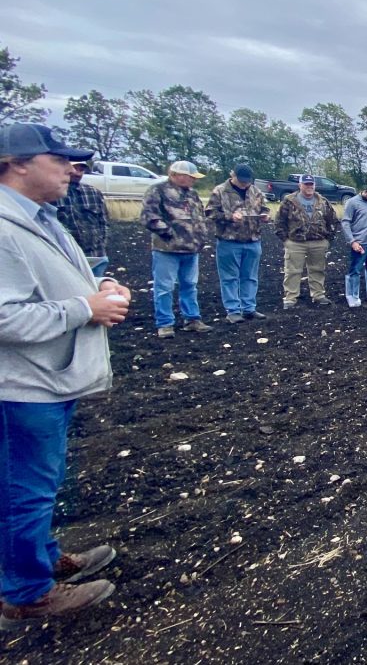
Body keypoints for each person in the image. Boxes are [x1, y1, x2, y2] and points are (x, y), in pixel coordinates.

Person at [0, 123, 130, 628]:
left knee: (39, 479)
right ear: (18, 162)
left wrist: (100, 285)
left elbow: (54, 283)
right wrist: (85, 307)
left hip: (45, 378)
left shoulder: (40, 218)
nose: (72, 171)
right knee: (24, 486)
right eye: (60, 161)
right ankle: (26, 592)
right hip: (20, 385)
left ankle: (39, 556)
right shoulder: (5, 227)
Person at [140, 160, 212, 337]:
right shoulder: (158, 191)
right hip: (167, 249)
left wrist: (201, 238)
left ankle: (192, 319)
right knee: (164, 286)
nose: (193, 180)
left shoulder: (193, 195)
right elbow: (149, 217)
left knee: (189, 285)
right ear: (176, 175)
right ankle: (165, 323)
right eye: (190, 177)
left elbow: (199, 218)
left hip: (191, 249)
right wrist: (169, 234)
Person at [205, 164, 270, 323]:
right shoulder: (220, 191)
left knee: (250, 277)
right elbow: (209, 212)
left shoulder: (256, 191)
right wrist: (229, 216)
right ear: (232, 175)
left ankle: (249, 308)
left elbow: (265, 208)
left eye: (247, 181)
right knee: (229, 277)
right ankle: (233, 310)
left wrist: (265, 215)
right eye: (241, 181)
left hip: (253, 240)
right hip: (229, 241)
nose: (244, 184)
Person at [276, 174, 338, 308]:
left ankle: (318, 295)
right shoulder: (289, 200)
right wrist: (286, 240)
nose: (309, 187)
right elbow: (279, 221)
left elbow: (332, 220)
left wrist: (328, 239)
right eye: (306, 184)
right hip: (295, 242)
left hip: (318, 242)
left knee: (318, 269)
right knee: (292, 271)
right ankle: (290, 298)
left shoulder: (323, 201)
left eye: (311, 184)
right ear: (300, 185)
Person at [53, 161, 110, 277]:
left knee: (97, 288)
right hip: (66, 257)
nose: (78, 173)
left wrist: (102, 246)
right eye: (75, 168)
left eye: (81, 170)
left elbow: (104, 222)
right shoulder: (52, 194)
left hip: (95, 256)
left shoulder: (93, 193)